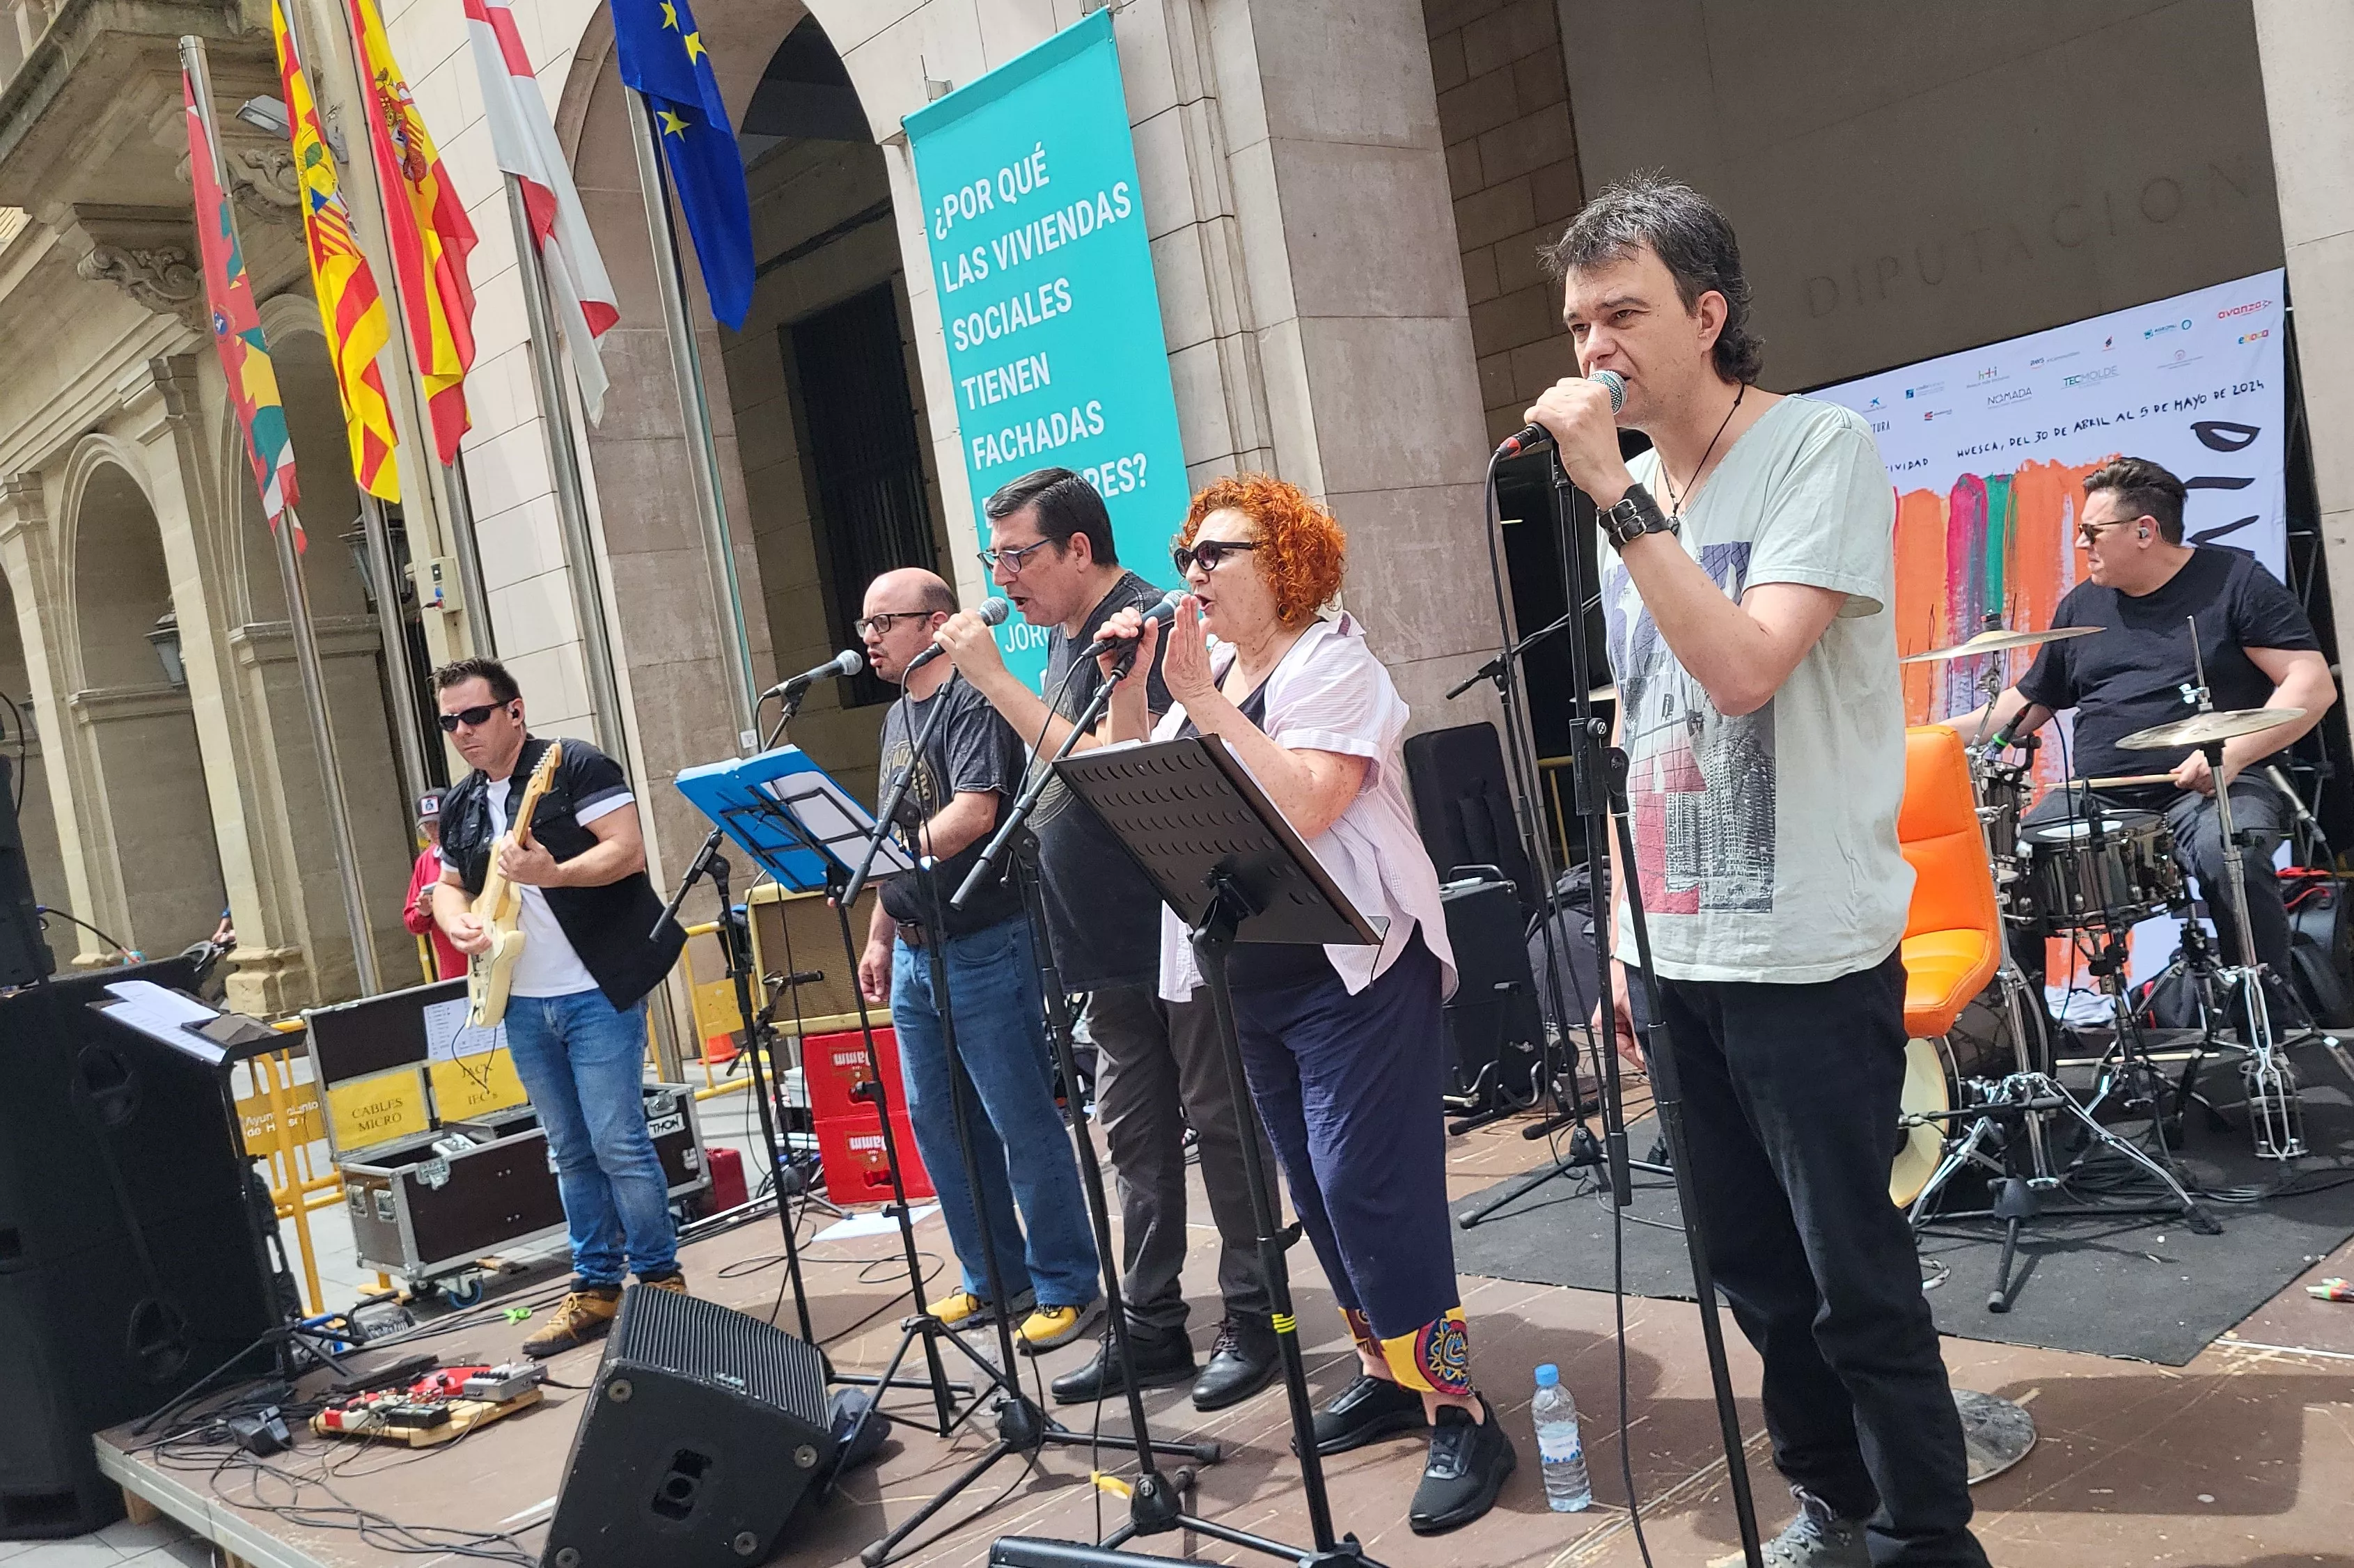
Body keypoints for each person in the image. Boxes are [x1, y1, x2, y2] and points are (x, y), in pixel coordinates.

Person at [1523, 173, 1987, 1567]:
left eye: (1622, 314)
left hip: (1805, 947)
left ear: (1708, 314)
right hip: (1678, 951)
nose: (1593, 347)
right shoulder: (1633, 502)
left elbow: (1739, 671)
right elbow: (1643, 726)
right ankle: (1831, 1498)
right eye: (1577, 323)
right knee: (1752, 1271)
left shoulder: (1816, 450)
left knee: (1853, 1275)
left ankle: (1926, 1533)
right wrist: (1623, 933)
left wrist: (1614, 495)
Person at [1092, 476, 1519, 1536]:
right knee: (1320, 1196)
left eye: (1217, 553)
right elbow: (1140, 791)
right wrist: (1139, 688)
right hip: (1256, 979)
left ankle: (1459, 1407)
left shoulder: (1334, 663)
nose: (1193, 571)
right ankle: (1386, 1372)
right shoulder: (1216, 674)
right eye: (1188, 554)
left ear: (1284, 562)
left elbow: (1310, 802)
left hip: (1354, 974)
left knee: (1370, 1186)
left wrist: (1200, 700)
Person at [929, 467, 1279, 1411]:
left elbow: (1117, 767)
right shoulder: (1059, 639)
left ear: (1078, 548)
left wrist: (992, 680)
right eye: (994, 558)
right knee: (1133, 1132)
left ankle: (1256, 1312)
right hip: (1098, 935)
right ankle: (1152, 1322)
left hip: (1174, 921)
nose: (1003, 578)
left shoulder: (1150, 622)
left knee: (1218, 1120)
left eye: (1018, 556)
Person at [1944, 456, 2334, 991]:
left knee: (2231, 853)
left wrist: (2232, 753)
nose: (2079, 543)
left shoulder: (2235, 582)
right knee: (2010, 870)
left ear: (2144, 531)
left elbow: (2310, 683)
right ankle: (2031, 1034)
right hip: (2101, 796)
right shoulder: (2081, 605)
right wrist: (1931, 738)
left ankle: (2263, 1013)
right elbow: (2030, 703)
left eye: (2091, 532)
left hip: (2215, 785)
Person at [854, 567, 1104, 1353]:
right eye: (866, 625)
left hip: (985, 941)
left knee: (1019, 1119)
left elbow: (971, 814)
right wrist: (879, 934)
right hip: (914, 950)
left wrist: (872, 859)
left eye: (883, 623)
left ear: (934, 624)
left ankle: (1066, 1284)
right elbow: (891, 833)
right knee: (939, 1124)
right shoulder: (897, 715)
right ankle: (993, 1276)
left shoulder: (970, 699)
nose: (869, 639)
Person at [424, 657, 689, 1358]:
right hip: (520, 998)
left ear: (515, 710)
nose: (462, 732)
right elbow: (446, 885)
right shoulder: (463, 802)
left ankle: (660, 1282)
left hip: (595, 988)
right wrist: (456, 920)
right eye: (449, 721)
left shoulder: (573, 766)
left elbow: (626, 852)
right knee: (568, 1147)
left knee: (617, 1140)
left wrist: (555, 873)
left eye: (474, 715)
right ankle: (595, 1285)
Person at [403, 790, 464, 982]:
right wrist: (424, 912)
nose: (433, 831)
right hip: (453, 969)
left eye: (437, 823)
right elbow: (411, 920)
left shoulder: (473, 849)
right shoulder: (425, 861)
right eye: (427, 825)